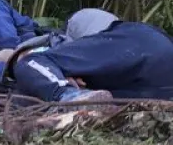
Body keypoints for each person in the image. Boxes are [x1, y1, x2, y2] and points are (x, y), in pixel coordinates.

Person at [10, 8, 173, 103]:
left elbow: (32, 61)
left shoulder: (136, 41)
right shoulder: (142, 44)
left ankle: (70, 97)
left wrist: (66, 92)